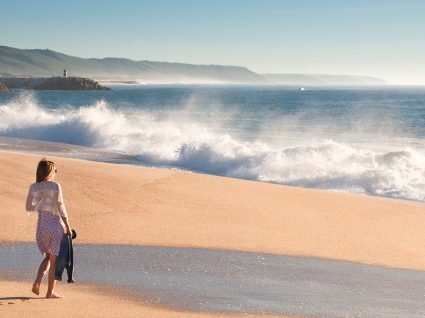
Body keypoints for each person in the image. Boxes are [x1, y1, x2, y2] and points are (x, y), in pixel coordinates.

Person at [25, 159, 71, 298]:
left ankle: (38, 280)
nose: (56, 173)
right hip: (55, 228)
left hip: (41, 229)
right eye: (55, 170)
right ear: (50, 172)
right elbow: (61, 206)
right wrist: (68, 226)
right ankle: (50, 292)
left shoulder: (34, 187)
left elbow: (29, 208)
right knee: (54, 262)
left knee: (47, 258)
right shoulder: (55, 186)